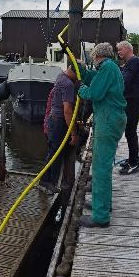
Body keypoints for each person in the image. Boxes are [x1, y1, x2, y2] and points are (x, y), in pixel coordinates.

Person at [77, 42, 127, 228]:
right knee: (103, 165)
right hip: (111, 119)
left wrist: (81, 90)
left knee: (100, 168)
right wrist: (83, 71)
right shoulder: (109, 68)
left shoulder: (106, 67)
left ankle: (100, 216)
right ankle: (103, 205)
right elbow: (95, 79)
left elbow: (95, 93)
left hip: (107, 120)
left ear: (98, 55)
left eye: (92, 57)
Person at [39, 66, 79, 194]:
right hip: (58, 122)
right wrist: (73, 133)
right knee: (54, 154)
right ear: (73, 71)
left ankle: (50, 182)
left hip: (53, 119)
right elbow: (67, 111)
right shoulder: (68, 85)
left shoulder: (61, 76)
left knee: (53, 152)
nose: (79, 78)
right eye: (78, 74)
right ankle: (45, 183)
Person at [116, 40, 139, 175]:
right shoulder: (129, 63)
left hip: (133, 101)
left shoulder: (134, 61)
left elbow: (124, 80)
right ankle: (133, 158)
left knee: (130, 131)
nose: (118, 52)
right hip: (130, 100)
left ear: (127, 49)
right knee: (129, 131)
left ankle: (134, 162)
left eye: (120, 50)